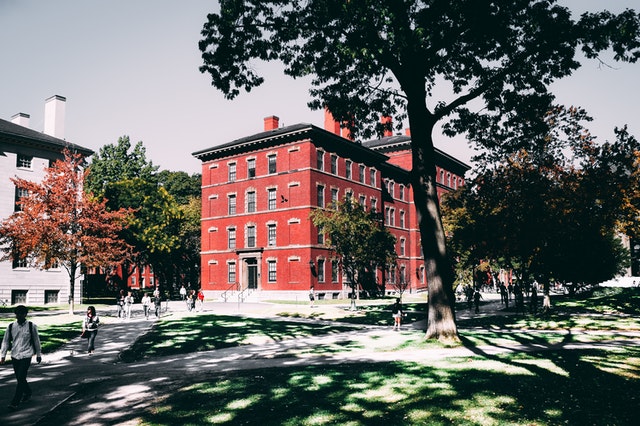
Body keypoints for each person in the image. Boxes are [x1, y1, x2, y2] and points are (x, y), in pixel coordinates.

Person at [0, 305, 42, 411]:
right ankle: (27, 392)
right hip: (15, 355)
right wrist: (3, 355)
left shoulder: (31, 326)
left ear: (25, 314)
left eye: (21, 314)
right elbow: (5, 342)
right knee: (20, 378)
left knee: (21, 377)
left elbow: (36, 341)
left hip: (26, 355)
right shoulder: (11, 326)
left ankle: (15, 401)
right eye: (17, 314)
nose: (19, 316)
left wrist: (38, 354)